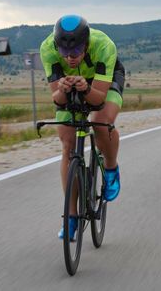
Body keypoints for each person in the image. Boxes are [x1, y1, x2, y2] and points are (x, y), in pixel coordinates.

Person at [40, 14, 125, 240]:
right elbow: (57, 100)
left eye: (76, 52)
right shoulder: (47, 49)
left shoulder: (104, 46)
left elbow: (97, 100)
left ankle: (110, 168)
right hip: (73, 86)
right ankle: (70, 218)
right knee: (67, 143)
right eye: (65, 53)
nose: (70, 58)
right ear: (56, 46)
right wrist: (63, 89)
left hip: (101, 83)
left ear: (86, 45)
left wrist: (86, 90)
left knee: (100, 122)